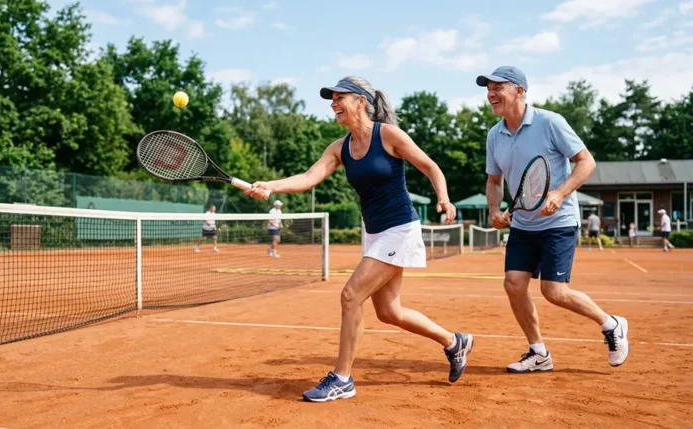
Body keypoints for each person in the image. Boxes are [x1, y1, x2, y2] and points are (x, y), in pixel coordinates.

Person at [245, 76, 474, 402]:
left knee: (351, 295)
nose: (334, 103)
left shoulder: (388, 135)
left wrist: (444, 198)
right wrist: (270, 185)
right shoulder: (339, 148)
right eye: (332, 99)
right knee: (389, 312)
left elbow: (430, 166)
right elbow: (309, 177)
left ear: (361, 101)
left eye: (340, 97)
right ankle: (454, 342)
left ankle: (342, 378)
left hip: (400, 228)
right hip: (374, 231)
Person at [479, 66, 629, 373]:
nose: (491, 95)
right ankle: (539, 353)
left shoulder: (550, 122)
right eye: (488, 89)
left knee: (554, 291)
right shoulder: (494, 135)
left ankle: (611, 324)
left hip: (558, 222)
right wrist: (494, 210)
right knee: (513, 285)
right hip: (523, 224)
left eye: (498, 88)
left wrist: (559, 193)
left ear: (520, 90)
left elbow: (586, 161)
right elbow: (494, 181)